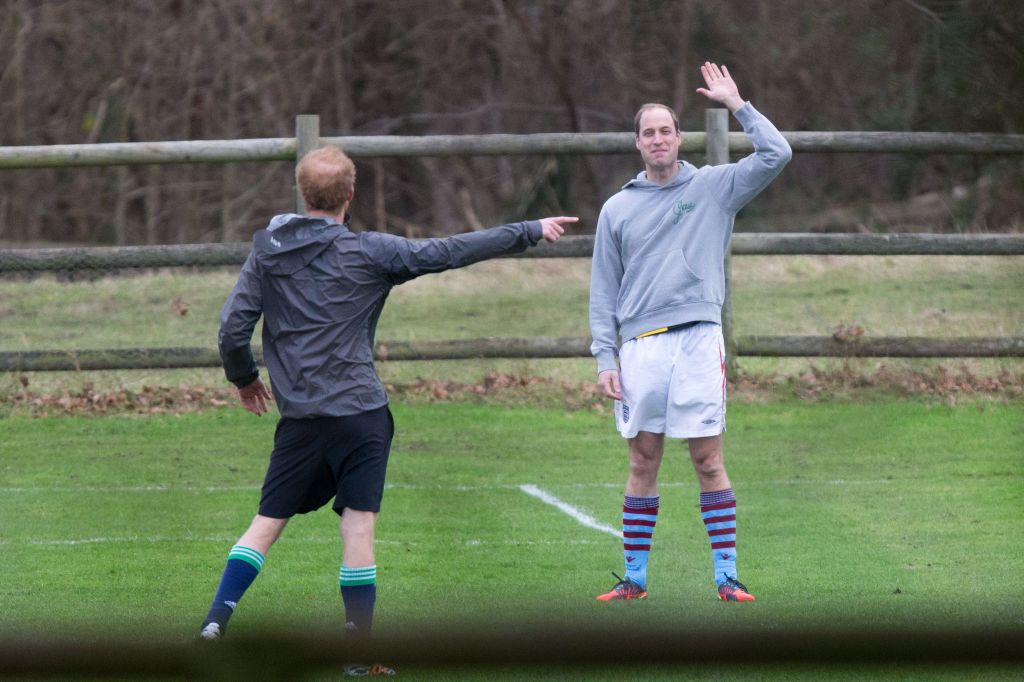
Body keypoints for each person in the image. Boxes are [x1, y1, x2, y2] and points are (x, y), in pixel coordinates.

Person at [199, 145, 577, 671]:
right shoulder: (370, 251)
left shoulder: (266, 251)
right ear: (350, 194)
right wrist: (528, 229)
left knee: (266, 523)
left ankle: (215, 623)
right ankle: (359, 657)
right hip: (361, 415)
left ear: (302, 194)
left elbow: (231, 330)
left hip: (302, 420)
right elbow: (448, 250)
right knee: (357, 528)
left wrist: (243, 380)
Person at [589, 62, 791, 603]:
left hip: (699, 340)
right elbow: (603, 293)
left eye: (666, 130)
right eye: (648, 132)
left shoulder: (714, 187)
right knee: (642, 460)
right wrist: (605, 358)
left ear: (680, 139)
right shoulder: (616, 209)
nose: (658, 139)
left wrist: (737, 104)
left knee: (708, 460)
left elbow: (777, 155)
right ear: (637, 143)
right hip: (640, 349)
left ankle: (728, 578)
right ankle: (634, 580)